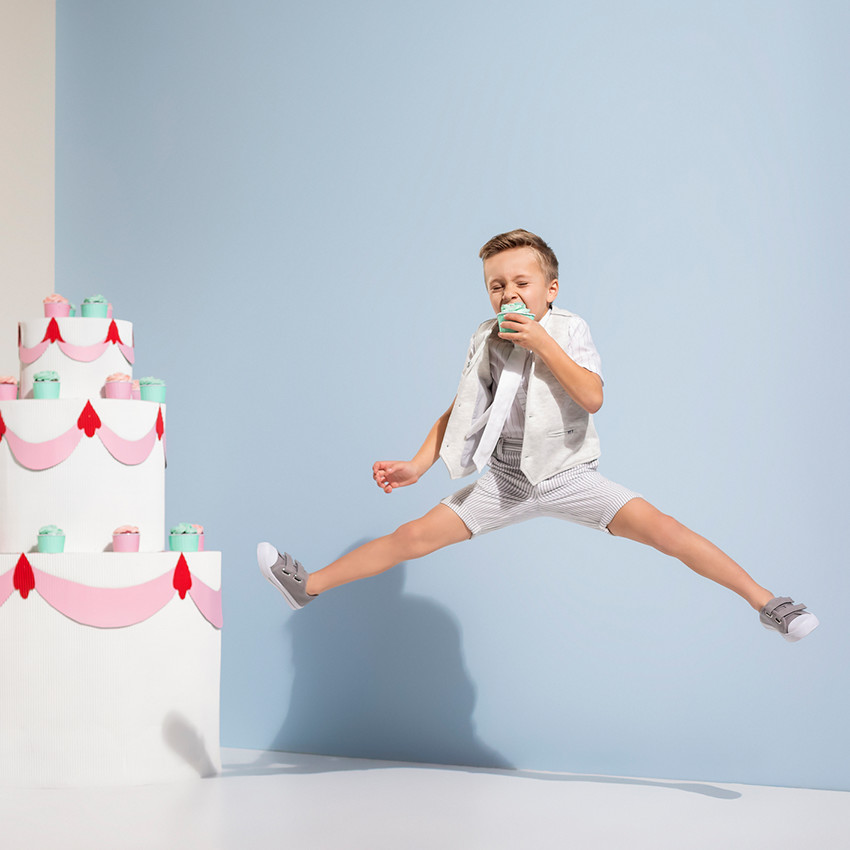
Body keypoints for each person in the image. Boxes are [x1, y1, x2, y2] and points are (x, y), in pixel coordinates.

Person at [258, 229, 818, 642]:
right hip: (504, 479)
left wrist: (543, 344)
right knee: (412, 536)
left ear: (550, 289)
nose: (508, 294)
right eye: (495, 286)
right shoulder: (486, 337)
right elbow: (461, 408)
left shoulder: (569, 329)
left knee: (665, 530)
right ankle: (307, 586)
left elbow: (593, 396)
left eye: (521, 283)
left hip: (570, 475)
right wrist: (416, 464)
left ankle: (767, 603)